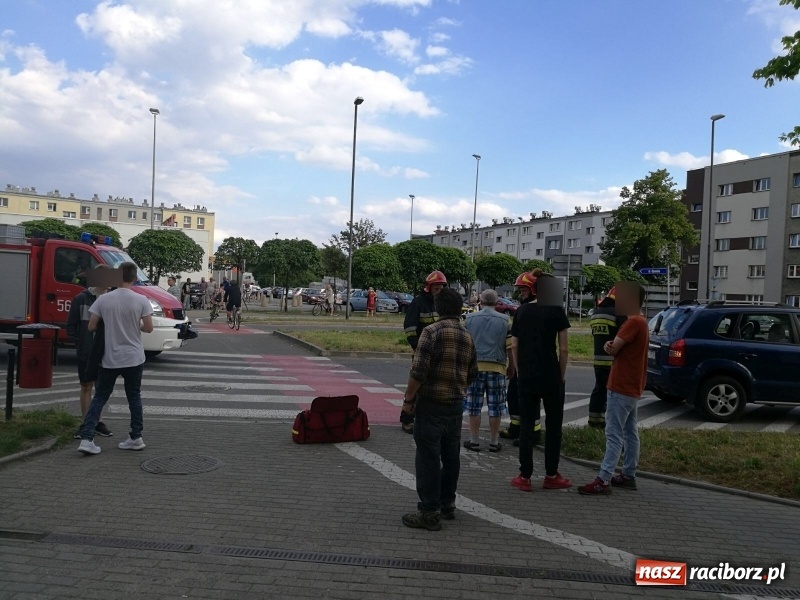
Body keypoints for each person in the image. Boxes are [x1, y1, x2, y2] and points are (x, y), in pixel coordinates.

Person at [401, 288, 478, 530]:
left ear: (439, 308)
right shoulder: (467, 336)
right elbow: (473, 373)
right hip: (455, 406)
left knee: (428, 458)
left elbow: (419, 372)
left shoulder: (431, 332)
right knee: (451, 457)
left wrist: (408, 400)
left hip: (431, 405)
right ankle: (448, 504)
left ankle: (428, 512)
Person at [77, 262, 154, 455]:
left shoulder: (103, 300)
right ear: (134, 278)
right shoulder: (142, 300)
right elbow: (149, 327)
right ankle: (136, 437)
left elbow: (91, 327)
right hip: (134, 357)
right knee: (134, 397)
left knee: (101, 396)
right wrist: (134, 326)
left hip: (110, 357)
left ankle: (87, 438)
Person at [579, 283, 649, 495]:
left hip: (621, 384)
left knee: (614, 433)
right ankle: (628, 474)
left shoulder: (631, 322)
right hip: (633, 384)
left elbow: (614, 347)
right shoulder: (642, 322)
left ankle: (603, 479)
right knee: (630, 432)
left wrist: (609, 346)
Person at [510, 269, 573, 492]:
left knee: (527, 425)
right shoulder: (556, 311)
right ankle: (551, 475)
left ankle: (524, 477)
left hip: (526, 376)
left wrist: (518, 370)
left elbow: (514, 345)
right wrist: (561, 376)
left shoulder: (521, 312)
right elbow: (564, 349)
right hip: (551, 376)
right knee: (554, 426)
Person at [462, 289, 512, 453]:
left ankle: (474, 440)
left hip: (475, 368)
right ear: (497, 303)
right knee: (495, 407)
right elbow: (510, 346)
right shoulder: (505, 321)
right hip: (497, 368)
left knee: (474, 406)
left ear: (480, 302)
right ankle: (493, 441)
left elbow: (465, 345)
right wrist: (511, 366)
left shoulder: (469, 319)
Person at [66, 266, 113, 439]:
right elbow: (71, 325)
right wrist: (80, 343)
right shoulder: (81, 299)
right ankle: (86, 422)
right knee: (86, 386)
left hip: (105, 352)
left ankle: (97, 422)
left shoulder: (110, 300)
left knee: (100, 389)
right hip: (86, 352)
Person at [401, 270, 447, 434]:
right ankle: (406, 419)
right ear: (429, 287)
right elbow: (410, 328)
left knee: (433, 388)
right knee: (415, 384)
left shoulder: (442, 303)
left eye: (442, 287)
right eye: (436, 287)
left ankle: (426, 419)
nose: (439, 290)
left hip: (440, 353)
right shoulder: (419, 302)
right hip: (422, 351)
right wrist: (417, 347)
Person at [499, 271, 541, 446]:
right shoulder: (539, 308)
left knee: (527, 398)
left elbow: (516, 341)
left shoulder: (527, 310)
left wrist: (514, 363)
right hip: (527, 361)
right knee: (515, 396)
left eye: (523, 289)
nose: (520, 293)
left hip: (527, 362)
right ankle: (516, 429)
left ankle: (531, 434)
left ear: (533, 290)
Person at [588, 288, 626, 429]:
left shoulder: (596, 313)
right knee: (614, 393)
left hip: (598, 359)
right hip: (613, 359)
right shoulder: (618, 313)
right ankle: (611, 422)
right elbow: (625, 333)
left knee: (599, 389)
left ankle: (594, 420)